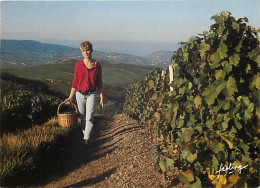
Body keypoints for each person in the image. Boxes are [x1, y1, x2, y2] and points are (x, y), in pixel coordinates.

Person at [65, 41, 104, 146]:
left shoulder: (97, 64)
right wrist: (70, 97)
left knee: (89, 117)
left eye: (88, 50)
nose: (86, 52)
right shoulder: (78, 64)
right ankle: (85, 136)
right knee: (82, 117)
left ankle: (86, 139)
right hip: (79, 94)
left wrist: (101, 97)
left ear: (91, 50)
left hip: (92, 93)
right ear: (81, 52)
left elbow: (99, 82)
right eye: (83, 51)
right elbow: (75, 82)